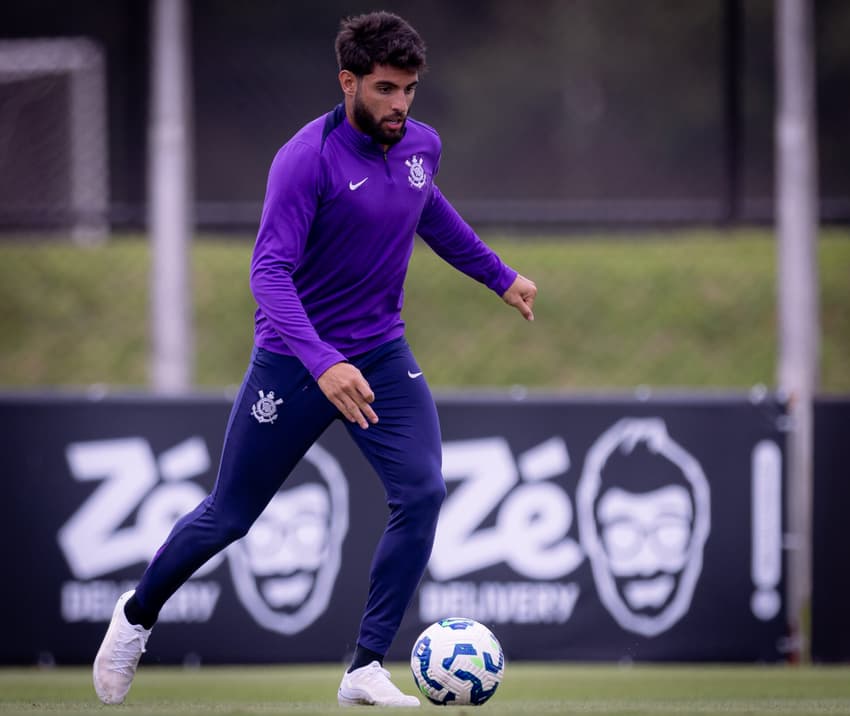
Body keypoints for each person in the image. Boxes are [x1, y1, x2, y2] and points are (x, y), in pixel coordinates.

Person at [93, 10, 536, 708]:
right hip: (295, 361)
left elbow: (428, 211)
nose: (400, 105)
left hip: (381, 353)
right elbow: (268, 274)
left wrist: (499, 276)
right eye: (386, 89)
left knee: (422, 491)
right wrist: (323, 361)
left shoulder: (421, 145)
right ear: (348, 80)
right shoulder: (307, 158)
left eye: (410, 89)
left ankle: (364, 668)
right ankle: (135, 617)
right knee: (230, 515)